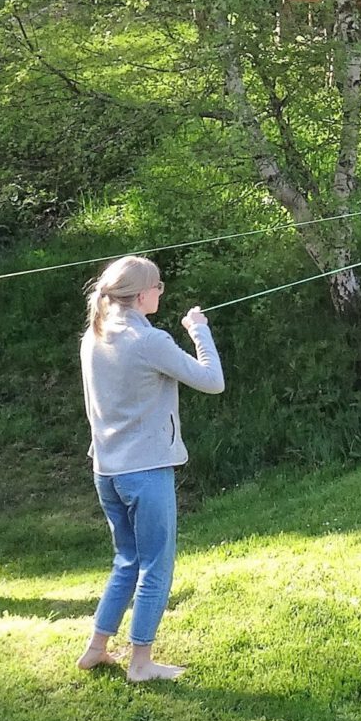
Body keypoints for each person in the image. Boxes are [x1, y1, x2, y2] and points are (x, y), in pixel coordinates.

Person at [75, 255, 224, 682]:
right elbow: (212, 380)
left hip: (107, 471)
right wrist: (200, 332)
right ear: (141, 295)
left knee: (126, 559)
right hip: (146, 469)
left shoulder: (94, 336)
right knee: (155, 565)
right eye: (158, 286)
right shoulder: (148, 340)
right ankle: (140, 663)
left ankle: (96, 649)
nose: (161, 292)